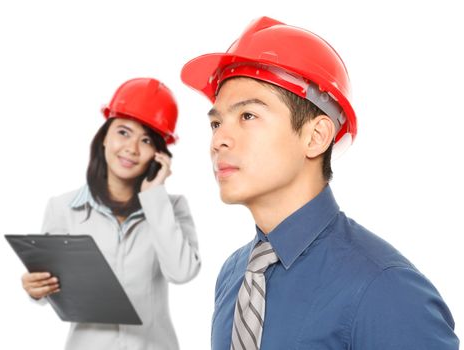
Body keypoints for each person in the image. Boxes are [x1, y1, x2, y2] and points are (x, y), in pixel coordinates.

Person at [181, 16, 459, 349]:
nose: (219, 140)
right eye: (216, 124)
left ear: (316, 136)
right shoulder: (233, 275)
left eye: (248, 116)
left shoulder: (384, 287)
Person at [21, 77, 201, 350]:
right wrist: (36, 288)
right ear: (105, 136)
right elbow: (51, 286)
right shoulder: (64, 208)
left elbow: (181, 273)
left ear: (158, 154)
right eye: (123, 132)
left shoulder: (171, 207)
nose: (131, 148)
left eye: (146, 140)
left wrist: (154, 196)